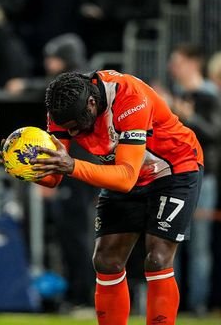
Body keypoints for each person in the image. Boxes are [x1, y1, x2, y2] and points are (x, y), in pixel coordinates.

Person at [22, 70, 203, 325]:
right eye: (67, 128)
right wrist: (25, 167)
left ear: (92, 103)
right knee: (106, 260)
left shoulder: (130, 97)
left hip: (174, 168)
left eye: (75, 126)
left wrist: (72, 165)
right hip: (123, 170)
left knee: (157, 258)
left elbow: (126, 177)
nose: (72, 134)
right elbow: (53, 179)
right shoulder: (62, 110)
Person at [167, 43, 221, 315]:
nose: (172, 67)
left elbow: (215, 133)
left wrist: (190, 117)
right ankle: (172, 304)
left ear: (192, 63)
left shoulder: (209, 95)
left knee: (198, 245)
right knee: (170, 242)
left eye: (176, 61)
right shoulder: (180, 94)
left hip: (203, 179)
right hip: (178, 176)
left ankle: (197, 304)